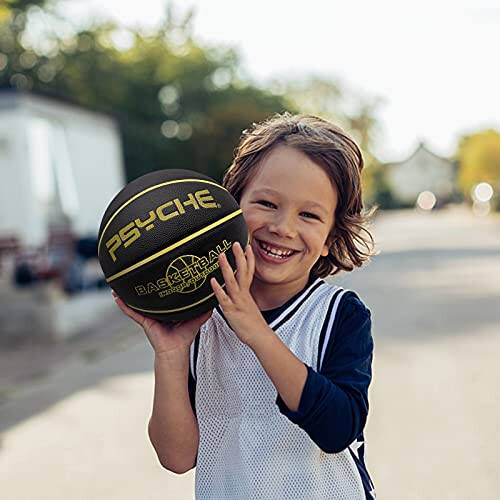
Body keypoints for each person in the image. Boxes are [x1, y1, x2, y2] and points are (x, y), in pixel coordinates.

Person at [113, 113, 377, 499]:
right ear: (232, 206)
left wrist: (256, 332)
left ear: (329, 237)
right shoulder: (199, 318)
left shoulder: (339, 315)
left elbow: (338, 430)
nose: (283, 227)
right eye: (267, 203)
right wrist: (170, 355)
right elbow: (178, 457)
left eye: (308, 214)